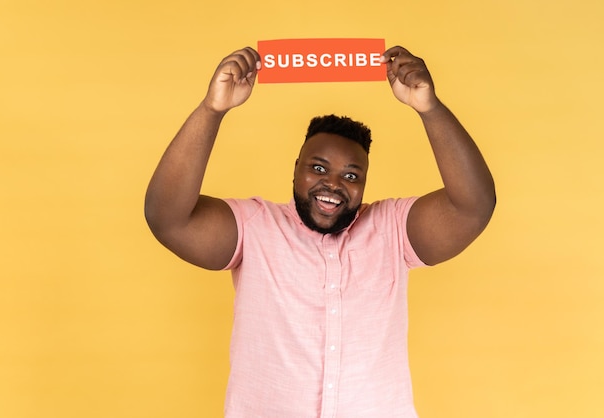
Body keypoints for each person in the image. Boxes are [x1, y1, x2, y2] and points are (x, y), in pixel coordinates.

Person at [145, 45, 496, 418]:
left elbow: (473, 207)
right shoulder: (255, 227)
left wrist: (431, 109)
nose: (332, 184)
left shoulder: (391, 228)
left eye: (350, 175)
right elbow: (168, 218)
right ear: (295, 169)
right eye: (318, 168)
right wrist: (211, 110)